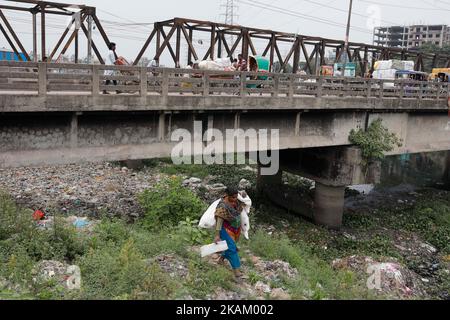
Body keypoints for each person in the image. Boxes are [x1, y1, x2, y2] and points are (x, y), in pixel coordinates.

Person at [214, 187, 246, 282]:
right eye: (233, 197)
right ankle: (237, 272)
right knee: (232, 248)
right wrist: (217, 235)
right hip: (225, 229)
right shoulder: (222, 206)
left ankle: (221, 260)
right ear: (227, 196)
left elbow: (243, 205)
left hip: (235, 229)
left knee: (229, 245)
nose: (235, 199)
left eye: (236, 197)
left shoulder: (236, 201)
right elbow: (219, 221)